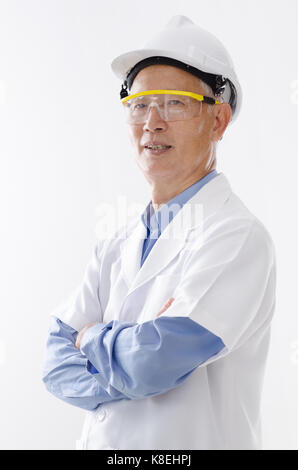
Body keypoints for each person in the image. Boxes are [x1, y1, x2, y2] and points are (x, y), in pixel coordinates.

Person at [42, 15, 276, 450]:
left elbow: (153, 363)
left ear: (218, 121)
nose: (152, 121)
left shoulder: (237, 237)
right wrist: (126, 360)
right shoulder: (115, 241)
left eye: (174, 103)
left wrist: (91, 338)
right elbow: (55, 364)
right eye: (139, 103)